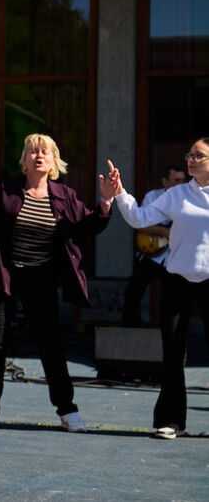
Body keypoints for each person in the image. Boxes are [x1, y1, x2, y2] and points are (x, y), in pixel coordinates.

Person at [0, 133, 116, 433]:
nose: (38, 156)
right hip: (4, 274)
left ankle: (67, 411)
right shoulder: (4, 189)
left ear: (53, 162)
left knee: (50, 345)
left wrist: (106, 199)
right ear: (24, 161)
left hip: (40, 277)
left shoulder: (63, 195)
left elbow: (91, 223)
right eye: (32, 152)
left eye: (45, 152)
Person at [107, 139, 209, 440]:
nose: (190, 160)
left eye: (198, 155)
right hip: (177, 279)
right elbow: (140, 218)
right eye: (188, 155)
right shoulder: (177, 194)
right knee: (173, 352)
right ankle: (171, 420)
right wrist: (121, 194)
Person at [120, 166, 187, 328]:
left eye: (183, 181)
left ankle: (167, 332)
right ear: (164, 181)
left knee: (172, 298)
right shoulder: (153, 197)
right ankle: (131, 327)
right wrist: (164, 232)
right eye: (176, 180)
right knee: (134, 290)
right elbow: (140, 224)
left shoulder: (189, 201)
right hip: (151, 252)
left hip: (173, 257)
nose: (181, 184)